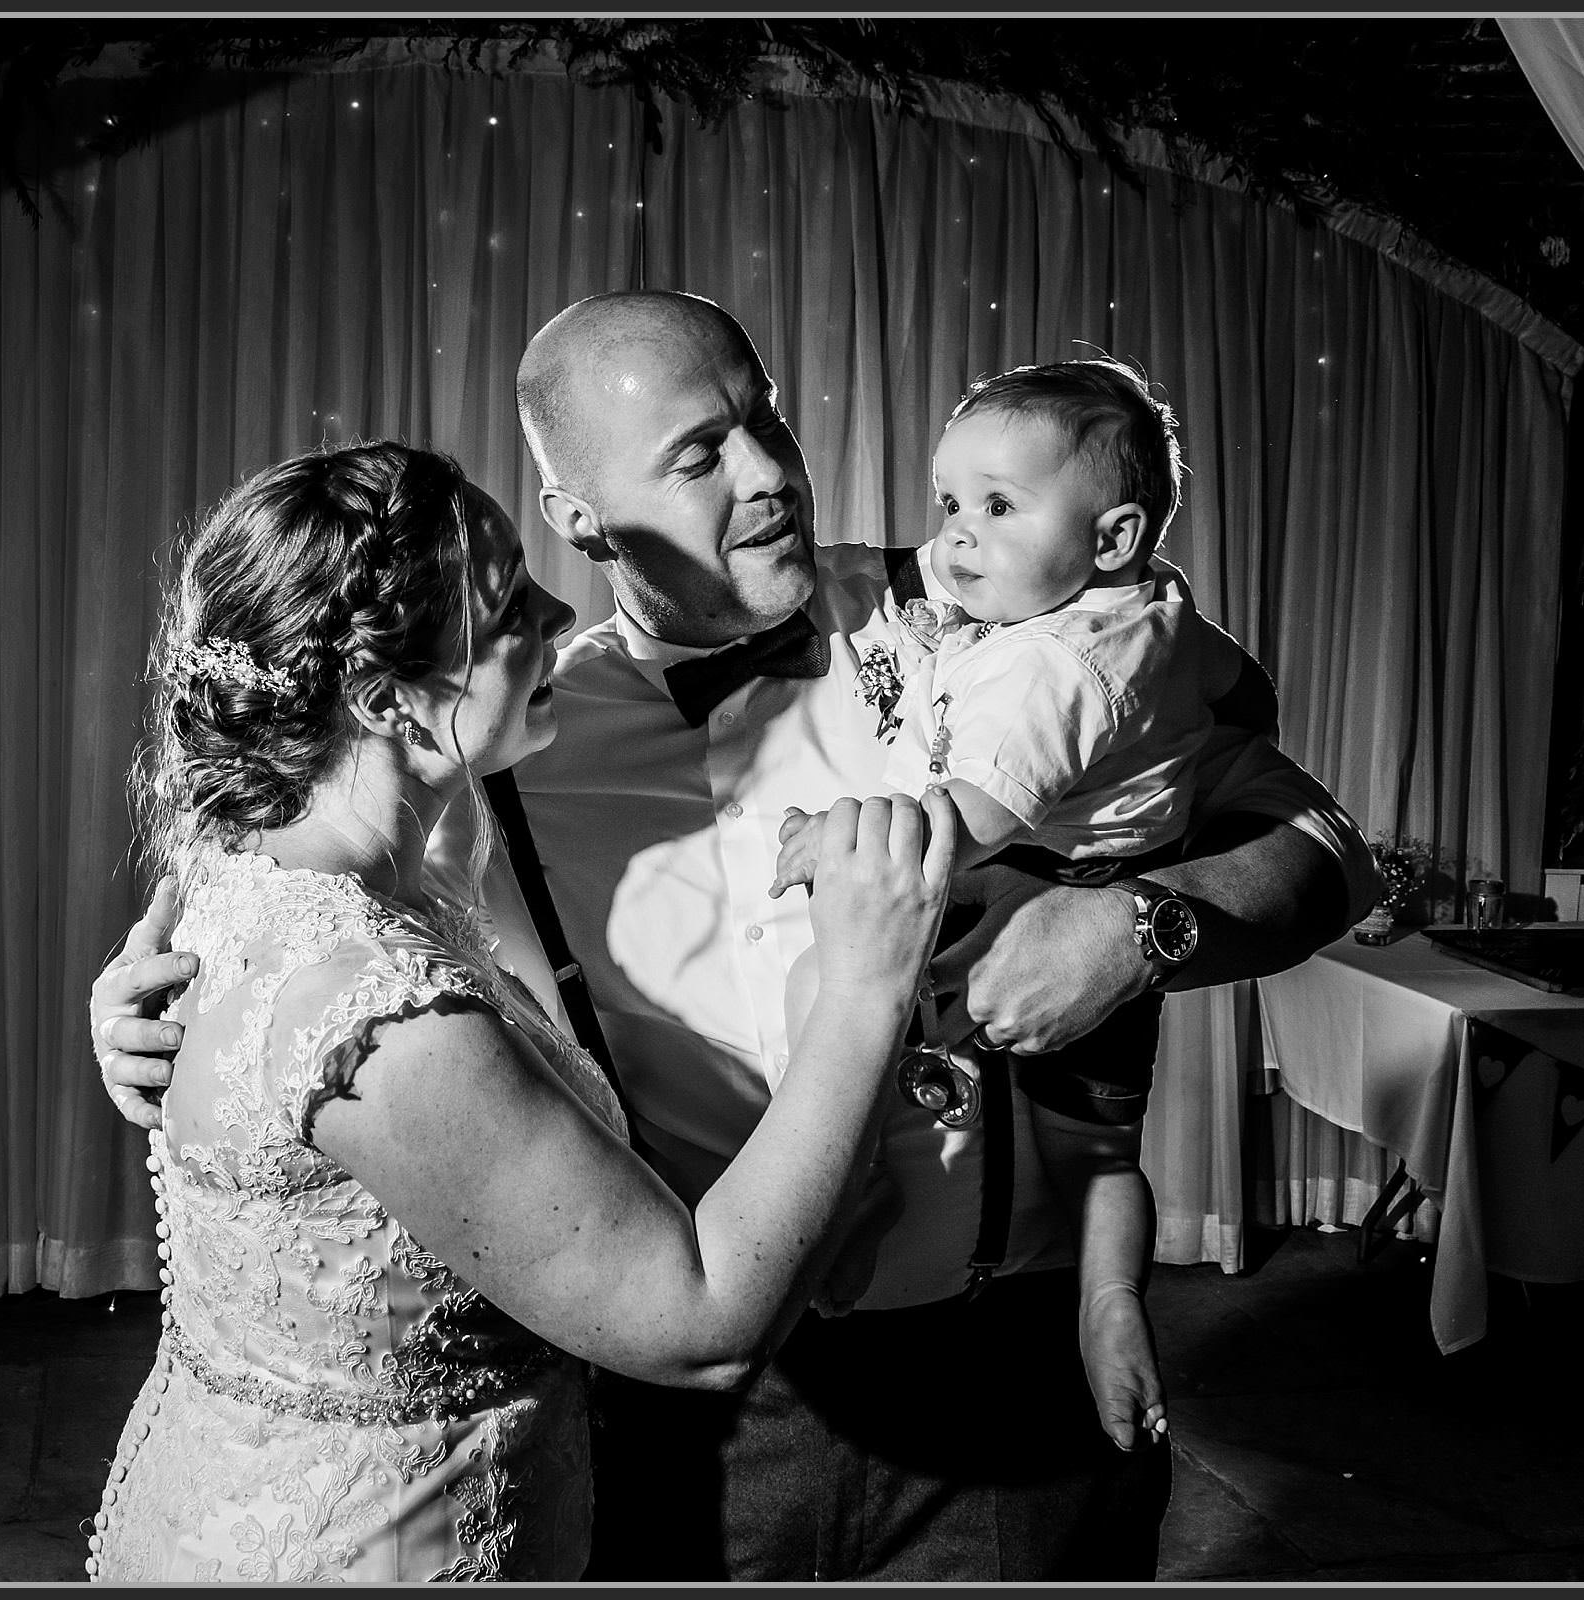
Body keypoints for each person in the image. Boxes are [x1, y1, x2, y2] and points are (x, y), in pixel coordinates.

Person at [95, 292, 1382, 1581]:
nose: (770, 473)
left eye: (766, 420)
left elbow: (1325, 850)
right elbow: (323, 935)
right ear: (578, 516)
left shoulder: (999, 615)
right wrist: (163, 1021)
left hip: (1011, 1371)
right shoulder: (507, 745)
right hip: (688, 1417)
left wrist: (1140, 924)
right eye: (700, 455)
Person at [83, 438, 955, 1583]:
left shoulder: (246, 865)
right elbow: (699, 1327)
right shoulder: (381, 1023)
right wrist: (865, 983)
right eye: (506, 605)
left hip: (232, 1498)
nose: (557, 609)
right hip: (371, 1551)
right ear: (388, 696)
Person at [771, 355, 1222, 1465]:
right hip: (1114, 878)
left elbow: (962, 820)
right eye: (950, 503)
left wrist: (828, 831)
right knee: (1102, 1150)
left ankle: (856, 1184)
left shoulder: (1050, 671)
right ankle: (1111, 1298)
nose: (957, 538)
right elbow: (1227, 693)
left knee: (821, 985)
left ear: (1110, 538)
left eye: (1000, 507)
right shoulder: (1144, 604)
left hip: (1038, 886)